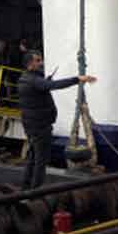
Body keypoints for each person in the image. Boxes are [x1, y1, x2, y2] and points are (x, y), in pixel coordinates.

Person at [17, 50, 96, 189]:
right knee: (40, 161)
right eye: (37, 60)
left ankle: (25, 187)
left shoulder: (25, 79)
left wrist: (45, 83)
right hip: (40, 126)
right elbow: (54, 86)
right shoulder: (34, 80)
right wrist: (78, 79)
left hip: (32, 126)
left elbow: (40, 88)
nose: (41, 63)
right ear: (30, 64)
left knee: (33, 158)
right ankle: (35, 192)